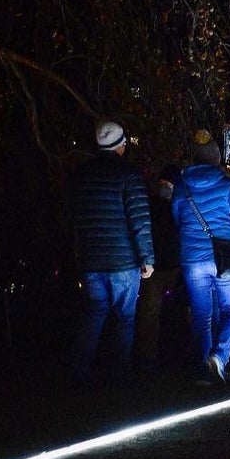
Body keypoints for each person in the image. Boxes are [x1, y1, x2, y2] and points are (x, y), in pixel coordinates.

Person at [172, 129, 230, 384]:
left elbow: (177, 221)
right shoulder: (226, 185)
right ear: (215, 158)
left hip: (192, 260)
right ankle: (220, 358)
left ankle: (205, 370)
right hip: (224, 258)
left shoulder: (181, 187)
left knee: (202, 316)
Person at [69, 120, 154, 385]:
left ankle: (80, 370)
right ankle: (121, 374)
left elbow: (74, 220)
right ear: (121, 146)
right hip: (123, 261)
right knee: (124, 318)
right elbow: (139, 221)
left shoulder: (81, 176)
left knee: (95, 313)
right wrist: (147, 258)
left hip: (92, 259)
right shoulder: (129, 175)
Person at [135, 164, 182, 373]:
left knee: (165, 309)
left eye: (168, 182)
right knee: (150, 311)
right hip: (159, 265)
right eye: (163, 182)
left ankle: (172, 350)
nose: (165, 186)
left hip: (173, 264)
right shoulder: (154, 204)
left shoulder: (177, 205)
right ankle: (148, 355)